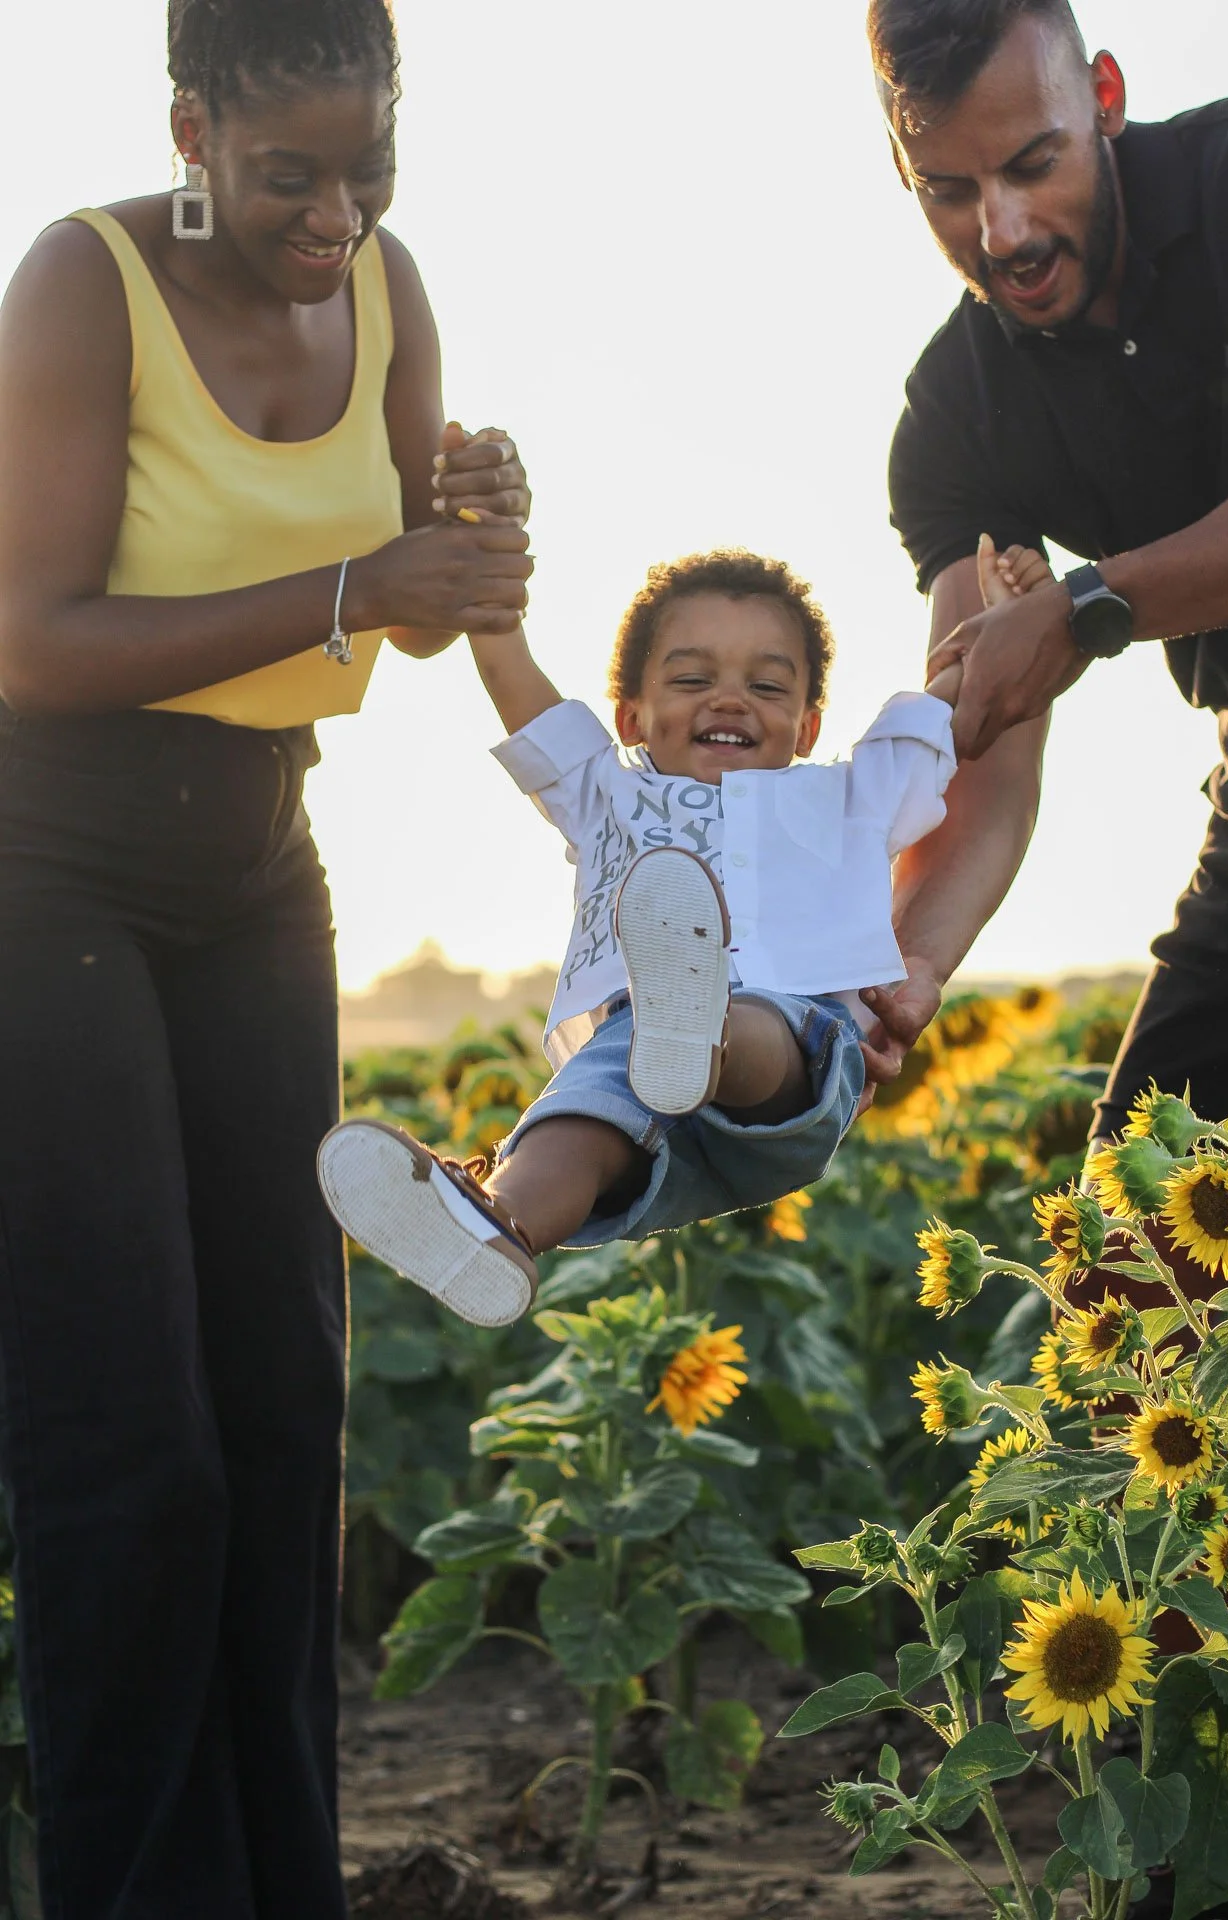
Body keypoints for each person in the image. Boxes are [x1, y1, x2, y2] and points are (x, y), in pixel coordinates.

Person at [0, 3, 534, 1915]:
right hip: (46, 876)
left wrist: (471, 543)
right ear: (192, 130)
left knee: (280, 1404)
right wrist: (346, 588)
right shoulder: (82, 282)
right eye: (290, 175)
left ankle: (280, 1885)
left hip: (259, 866)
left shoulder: (392, 289)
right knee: (128, 1439)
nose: (336, 217)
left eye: (368, 169)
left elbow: (404, 603)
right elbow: (31, 640)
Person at [315, 536, 1050, 1321]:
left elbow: (939, 717)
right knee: (575, 1122)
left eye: (767, 685)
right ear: (632, 715)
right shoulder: (604, 797)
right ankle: (493, 1225)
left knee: (755, 1018)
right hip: (635, 1056)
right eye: (693, 678)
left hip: (790, 1062)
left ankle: (703, 1029)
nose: (729, 699)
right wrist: (487, 594)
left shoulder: (848, 797)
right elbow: (522, 692)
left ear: (807, 727)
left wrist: (1014, 625)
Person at [858, 0, 1228, 1156]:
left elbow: (1062, 626)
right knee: (1135, 1258)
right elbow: (981, 724)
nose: (1000, 232)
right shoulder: (954, 420)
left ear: (1102, 95)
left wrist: (1088, 606)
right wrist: (896, 971)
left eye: (1030, 166)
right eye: (946, 190)